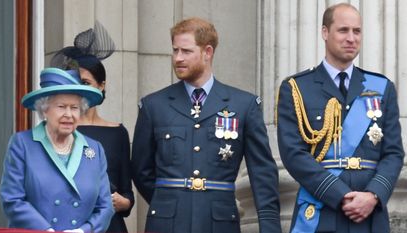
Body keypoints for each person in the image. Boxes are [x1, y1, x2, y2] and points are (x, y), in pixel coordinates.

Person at [131, 17, 281, 233]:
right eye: (175, 51)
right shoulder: (154, 105)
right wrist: (167, 201)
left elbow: (262, 171)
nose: (178, 58)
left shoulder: (243, 105)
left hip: (219, 223)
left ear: (207, 52)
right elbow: (141, 169)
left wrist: (270, 226)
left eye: (186, 51)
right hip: (167, 223)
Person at [277, 3, 404, 233]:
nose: (351, 38)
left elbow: (393, 153)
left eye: (357, 31)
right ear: (325, 32)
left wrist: (374, 195)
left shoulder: (381, 87)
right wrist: (341, 194)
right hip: (321, 211)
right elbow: (293, 153)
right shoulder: (296, 88)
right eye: (343, 30)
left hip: (370, 215)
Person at [0, 67, 114, 232]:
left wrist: (84, 231)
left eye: (74, 108)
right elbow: (12, 199)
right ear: (45, 109)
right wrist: (46, 230)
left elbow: (105, 206)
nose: (69, 114)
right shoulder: (22, 144)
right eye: (61, 106)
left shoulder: (94, 149)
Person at [51, 22, 134, 233]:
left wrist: (123, 202)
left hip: (111, 226)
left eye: (86, 83)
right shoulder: (56, 130)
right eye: (75, 82)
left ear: (101, 85)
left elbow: (127, 193)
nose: (80, 89)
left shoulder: (118, 132)